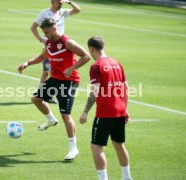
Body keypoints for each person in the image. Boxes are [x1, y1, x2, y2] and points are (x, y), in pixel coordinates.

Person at [18, 19, 90, 160]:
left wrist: (71, 68)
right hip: (55, 79)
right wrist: (28, 63)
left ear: (54, 28)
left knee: (65, 115)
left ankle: (73, 148)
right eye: (43, 32)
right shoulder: (49, 42)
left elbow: (86, 56)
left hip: (69, 82)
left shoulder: (67, 42)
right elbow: (42, 56)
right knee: (36, 99)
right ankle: (50, 119)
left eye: (47, 32)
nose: (45, 35)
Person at [79, 36, 132, 180]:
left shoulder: (96, 66)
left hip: (105, 113)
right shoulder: (117, 63)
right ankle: (126, 177)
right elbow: (125, 88)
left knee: (96, 146)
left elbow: (95, 90)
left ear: (91, 49)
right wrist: (125, 109)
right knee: (119, 144)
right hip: (120, 111)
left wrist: (85, 112)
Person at [31, 0, 81, 103]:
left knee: (55, 72)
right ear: (52, 2)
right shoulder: (44, 13)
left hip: (62, 46)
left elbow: (77, 10)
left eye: (61, 3)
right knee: (46, 72)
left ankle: (48, 95)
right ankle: (42, 94)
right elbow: (33, 27)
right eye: (59, 3)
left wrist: (69, 2)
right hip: (50, 47)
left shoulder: (62, 12)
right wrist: (41, 39)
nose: (60, 5)